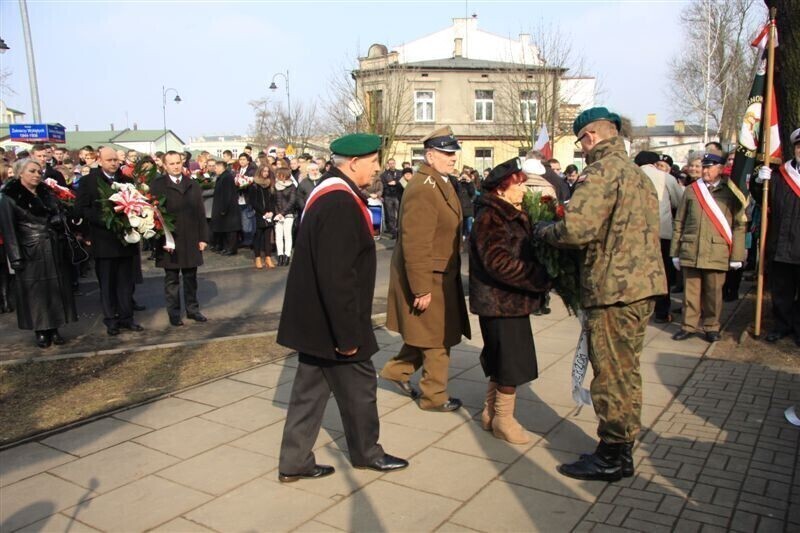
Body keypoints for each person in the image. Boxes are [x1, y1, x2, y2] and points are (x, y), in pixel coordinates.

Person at [534, 107, 666, 481]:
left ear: (590, 137)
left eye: (581, 142)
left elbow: (577, 231)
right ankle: (621, 448)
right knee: (627, 372)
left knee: (609, 374)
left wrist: (545, 231)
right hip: (641, 287)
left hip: (613, 289)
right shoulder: (638, 175)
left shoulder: (601, 172)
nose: (582, 149)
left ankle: (612, 454)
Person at [277, 133, 408, 482]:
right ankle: (367, 453)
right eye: (373, 162)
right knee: (362, 386)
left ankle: (294, 461)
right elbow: (338, 278)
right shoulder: (339, 203)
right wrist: (347, 334)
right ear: (353, 163)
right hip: (334, 322)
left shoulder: (330, 193)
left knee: (308, 393)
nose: (378, 168)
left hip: (315, 321)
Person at [380, 126, 471, 411]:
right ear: (430, 155)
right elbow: (415, 243)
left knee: (427, 331)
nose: (453, 157)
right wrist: (421, 288)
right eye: (446, 153)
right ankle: (434, 396)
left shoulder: (437, 181)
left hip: (440, 273)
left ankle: (397, 371)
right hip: (429, 276)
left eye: (453, 152)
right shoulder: (423, 187)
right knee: (437, 338)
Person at [469, 158, 550, 445]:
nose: (524, 189)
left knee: (503, 359)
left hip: (507, 301)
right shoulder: (492, 217)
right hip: (500, 303)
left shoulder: (508, 212)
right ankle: (504, 419)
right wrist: (537, 276)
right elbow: (498, 263)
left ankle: (491, 413)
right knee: (512, 362)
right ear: (503, 188)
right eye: (520, 183)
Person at [0, 159, 78, 347]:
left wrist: (60, 218)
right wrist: (15, 257)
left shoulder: (46, 192)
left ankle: (56, 327)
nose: (37, 174)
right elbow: (9, 229)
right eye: (32, 171)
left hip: (53, 247)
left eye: (39, 171)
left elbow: (58, 213)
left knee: (56, 290)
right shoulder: (10, 197)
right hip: (30, 250)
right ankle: (41, 330)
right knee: (36, 293)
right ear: (20, 173)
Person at [671, 153, 746, 343]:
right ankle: (688, 326)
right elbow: (679, 221)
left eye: (709, 167)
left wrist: (737, 255)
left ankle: (711, 327)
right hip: (691, 249)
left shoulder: (730, 192)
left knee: (713, 294)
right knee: (691, 293)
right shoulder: (691, 191)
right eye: (703, 167)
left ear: (720, 169)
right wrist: (675, 252)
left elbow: (739, 224)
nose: (704, 170)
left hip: (717, 251)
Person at [76, 147, 144, 336]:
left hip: (126, 240)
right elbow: (81, 208)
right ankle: (111, 320)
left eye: (116, 159)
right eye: (109, 160)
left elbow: (138, 205)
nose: (114, 163)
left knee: (125, 283)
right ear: (100, 160)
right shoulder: (89, 182)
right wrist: (106, 218)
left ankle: (126, 318)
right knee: (107, 283)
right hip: (103, 240)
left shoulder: (126, 181)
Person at [751, 127, 800, 346]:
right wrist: (759, 183)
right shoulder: (781, 176)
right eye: (799, 147)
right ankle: (781, 326)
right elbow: (763, 202)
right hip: (781, 245)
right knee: (781, 292)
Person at [150, 151, 209, 327]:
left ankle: (193, 310)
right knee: (172, 279)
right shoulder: (158, 185)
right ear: (165, 165)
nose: (176, 166)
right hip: (170, 239)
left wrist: (203, 238)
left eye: (178, 163)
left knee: (191, 277)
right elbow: (154, 215)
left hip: (191, 238)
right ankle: (174, 313)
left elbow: (200, 212)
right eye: (172, 163)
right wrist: (161, 240)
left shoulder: (192, 184)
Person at [635, 151, 685, 323]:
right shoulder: (665, 177)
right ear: (654, 163)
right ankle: (662, 313)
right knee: (661, 274)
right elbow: (680, 201)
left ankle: (638, 313)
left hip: (635, 235)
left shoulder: (628, 176)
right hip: (661, 232)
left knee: (638, 274)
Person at [247, 165, 277, 269]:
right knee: (258, 236)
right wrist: (263, 212)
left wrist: (271, 212)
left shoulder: (270, 184)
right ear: (260, 172)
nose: (266, 173)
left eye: (267, 171)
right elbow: (253, 201)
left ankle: (268, 257)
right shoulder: (254, 185)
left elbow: (273, 200)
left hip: (269, 214)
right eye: (264, 171)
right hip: (259, 214)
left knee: (268, 237)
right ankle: (258, 257)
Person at [210, 160, 241, 256]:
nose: (215, 170)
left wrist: (224, 209)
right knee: (225, 230)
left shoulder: (226, 177)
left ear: (221, 167)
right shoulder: (223, 177)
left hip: (228, 209)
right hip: (224, 208)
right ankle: (226, 247)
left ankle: (231, 249)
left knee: (230, 231)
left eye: (216, 167)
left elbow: (227, 194)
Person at [273, 167, 300, 266]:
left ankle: (287, 255)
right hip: (278, 214)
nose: (278, 176)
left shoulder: (292, 186)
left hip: (288, 214)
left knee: (287, 234)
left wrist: (282, 213)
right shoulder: (275, 186)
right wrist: (277, 213)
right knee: (278, 236)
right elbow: (274, 201)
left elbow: (292, 201)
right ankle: (280, 255)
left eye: (279, 174)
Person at [380, 158, 403, 239]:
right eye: (390, 163)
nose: (392, 164)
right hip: (388, 196)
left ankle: (400, 231)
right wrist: (388, 184)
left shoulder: (400, 173)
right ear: (388, 164)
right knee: (391, 215)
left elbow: (402, 182)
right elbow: (382, 185)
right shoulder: (384, 174)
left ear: (395, 163)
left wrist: (395, 182)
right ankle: (394, 232)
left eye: (393, 163)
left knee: (400, 214)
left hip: (397, 196)